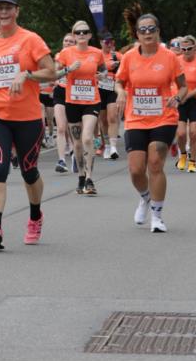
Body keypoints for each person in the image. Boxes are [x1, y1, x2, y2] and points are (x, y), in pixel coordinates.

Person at [0, 0, 56, 250]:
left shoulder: (30, 39)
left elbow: (51, 71)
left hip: (28, 117)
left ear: (17, 11)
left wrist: (28, 75)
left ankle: (35, 216)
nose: (3, 13)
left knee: (28, 170)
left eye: (8, 8)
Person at [115, 12, 186, 233]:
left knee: (155, 163)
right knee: (136, 170)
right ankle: (145, 198)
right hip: (136, 118)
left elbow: (183, 86)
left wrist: (178, 97)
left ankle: (157, 215)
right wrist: (120, 93)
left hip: (163, 117)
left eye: (151, 29)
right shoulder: (128, 58)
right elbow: (119, 82)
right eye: (143, 30)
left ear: (158, 32)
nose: (147, 33)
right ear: (137, 34)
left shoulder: (169, 57)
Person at [55, 21, 106, 195]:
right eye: (78, 33)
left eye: (85, 32)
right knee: (77, 144)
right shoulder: (66, 53)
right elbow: (55, 73)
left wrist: (102, 75)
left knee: (86, 139)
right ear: (74, 35)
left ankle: (90, 179)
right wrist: (68, 69)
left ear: (90, 35)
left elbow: (104, 71)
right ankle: (81, 176)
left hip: (92, 101)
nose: (82, 35)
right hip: (73, 102)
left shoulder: (97, 53)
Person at [175, 36, 196, 173]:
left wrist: (186, 96)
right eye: (183, 49)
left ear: (195, 48)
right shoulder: (176, 61)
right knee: (181, 133)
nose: (186, 51)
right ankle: (183, 154)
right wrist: (178, 97)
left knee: (194, 132)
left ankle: (192, 162)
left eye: (189, 48)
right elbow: (172, 81)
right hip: (180, 100)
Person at [53, 33, 75, 174]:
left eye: (70, 41)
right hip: (60, 92)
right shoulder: (58, 56)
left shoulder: (80, 56)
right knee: (61, 127)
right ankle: (61, 160)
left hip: (74, 94)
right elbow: (55, 72)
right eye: (65, 40)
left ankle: (75, 153)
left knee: (73, 129)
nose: (67, 43)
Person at [98, 31, 121, 159]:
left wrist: (119, 66)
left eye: (111, 41)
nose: (109, 44)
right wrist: (107, 67)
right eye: (107, 42)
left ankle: (113, 147)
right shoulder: (96, 55)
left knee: (112, 117)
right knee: (103, 120)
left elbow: (126, 69)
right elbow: (91, 70)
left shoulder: (117, 55)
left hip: (112, 89)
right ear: (101, 42)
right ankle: (106, 145)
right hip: (99, 89)